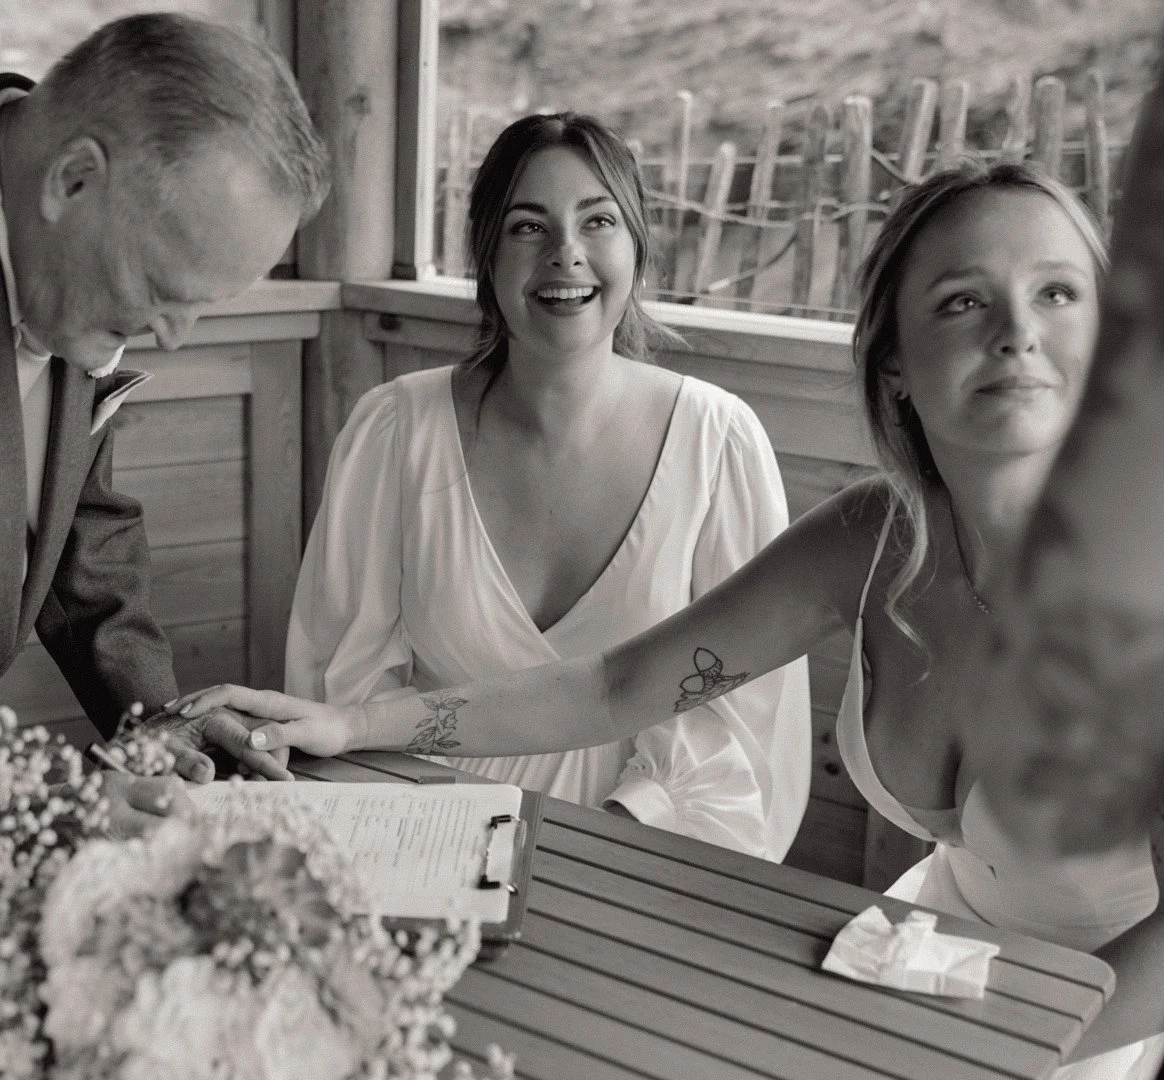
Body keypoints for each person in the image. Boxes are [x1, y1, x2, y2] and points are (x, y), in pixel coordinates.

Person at [174, 157, 1164, 1075]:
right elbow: (616, 685)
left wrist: (1017, 1049)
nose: (1018, 331)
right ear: (896, 359)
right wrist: (353, 723)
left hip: (1105, 1016)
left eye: (1058, 292)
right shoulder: (875, 540)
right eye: (962, 300)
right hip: (925, 955)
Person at [224, 112, 812, 858]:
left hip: (644, 841)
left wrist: (596, 842)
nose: (566, 255)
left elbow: (741, 728)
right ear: (487, 256)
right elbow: (345, 689)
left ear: (638, 245)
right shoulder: (396, 431)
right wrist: (461, 842)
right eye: (528, 228)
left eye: (598, 221)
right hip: (427, 832)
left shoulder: (717, 442)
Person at [0, 12, 330, 832]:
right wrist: (48, 800)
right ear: (73, 178)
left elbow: (77, 525)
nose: (173, 336)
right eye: (159, 285)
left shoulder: (64, 273)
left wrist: (159, 717)